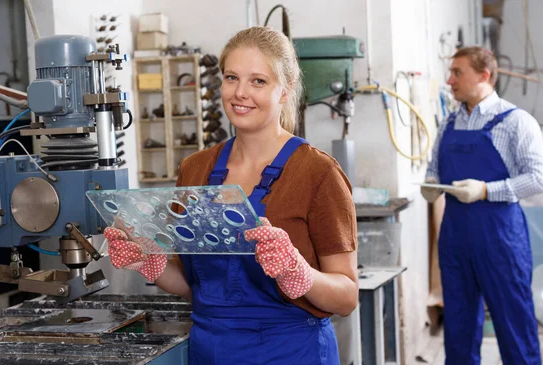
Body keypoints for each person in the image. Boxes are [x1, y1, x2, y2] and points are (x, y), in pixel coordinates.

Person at [104, 26, 358, 365]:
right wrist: (150, 260)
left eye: (258, 81)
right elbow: (194, 285)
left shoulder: (318, 173)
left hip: (292, 351)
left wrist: (298, 271)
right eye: (231, 77)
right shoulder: (195, 171)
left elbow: (346, 297)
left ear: (285, 91)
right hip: (211, 350)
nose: (240, 93)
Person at [421, 46, 543, 365]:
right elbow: (433, 168)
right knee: (459, 329)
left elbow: (538, 179)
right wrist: (430, 185)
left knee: (514, 326)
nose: (450, 80)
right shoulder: (448, 124)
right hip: (455, 239)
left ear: (484, 75)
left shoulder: (517, 122)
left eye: (457, 73)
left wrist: (486, 191)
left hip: (501, 240)